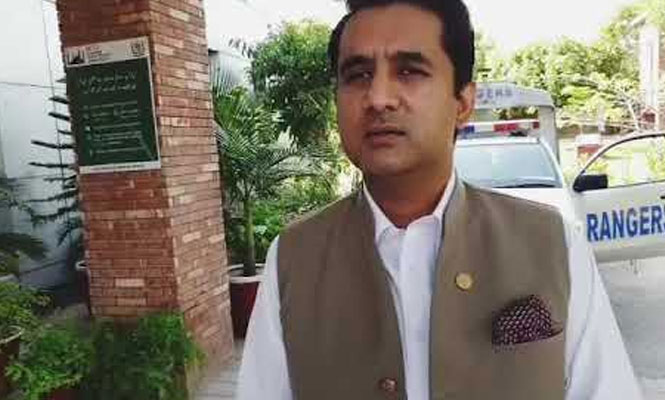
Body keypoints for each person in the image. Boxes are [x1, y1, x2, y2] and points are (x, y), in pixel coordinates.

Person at [238, 0, 642, 399]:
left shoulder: (551, 243)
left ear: (463, 102)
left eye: (409, 71)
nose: (378, 98)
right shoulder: (295, 259)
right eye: (358, 75)